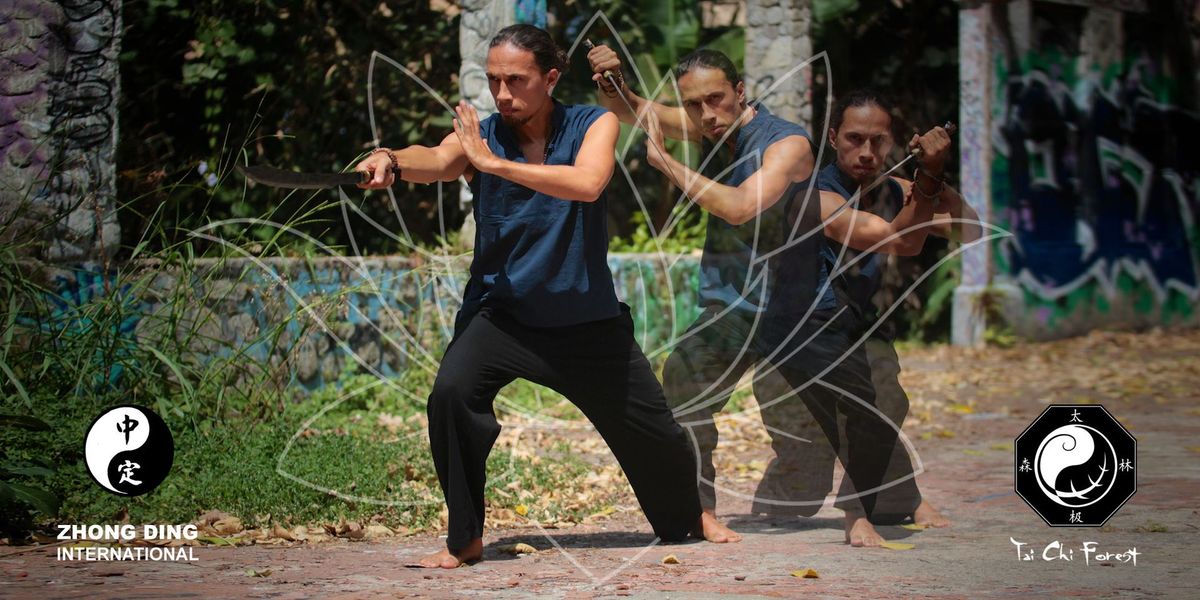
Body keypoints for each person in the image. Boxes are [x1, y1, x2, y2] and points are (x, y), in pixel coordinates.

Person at [356, 25, 707, 569]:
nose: (501, 94)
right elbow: (441, 158)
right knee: (452, 394)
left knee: (658, 437)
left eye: (515, 81)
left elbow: (588, 183)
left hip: (585, 320)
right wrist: (392, 160)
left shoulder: (595, 122)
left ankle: (691, 515)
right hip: (503, 315)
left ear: (549, 77)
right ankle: (465, 539)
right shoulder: (484, 133)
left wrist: (492, 165)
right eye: (494, 80)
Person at [586, 45, 941, 546]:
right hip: (731, 306)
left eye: (716, 99)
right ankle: (699, 512)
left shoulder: (788, 144)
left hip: (793, 310)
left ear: (740, 93)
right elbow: (636, 112)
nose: (706, 114)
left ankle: (882, 505)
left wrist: (667, 166)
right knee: (685, 390)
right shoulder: (709, 127)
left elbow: (739, 206)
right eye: (693, 105)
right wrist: (613, 81)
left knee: (851, 411)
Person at [792, 88, 980, 529]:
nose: (866, 152)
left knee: (884, 399)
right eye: (855, 139)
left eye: (878, 142)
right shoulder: (815, 193)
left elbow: (968, 229)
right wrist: (926, 183)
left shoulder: (898, 188)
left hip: (857, 321)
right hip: (804, 323)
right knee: (867, 407)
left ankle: (897, 501)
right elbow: (903, 240)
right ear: (834, 138)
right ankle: (861, 512)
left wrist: (931, 177)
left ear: (896, 144)